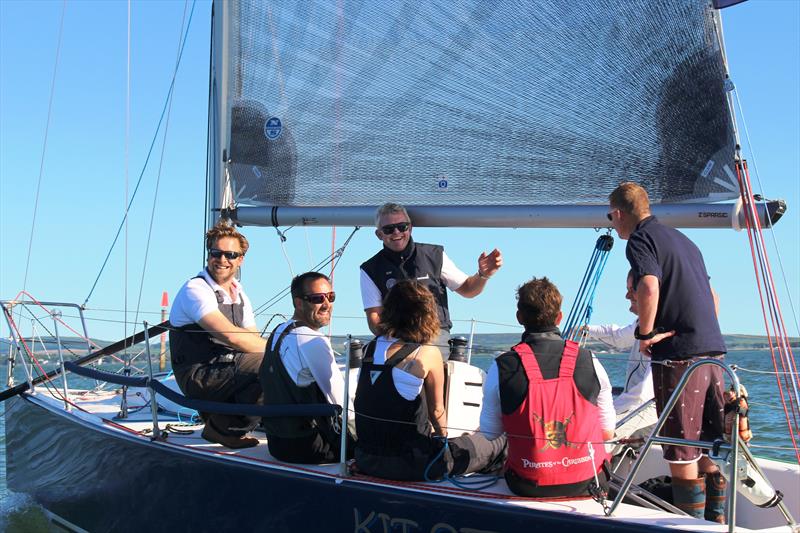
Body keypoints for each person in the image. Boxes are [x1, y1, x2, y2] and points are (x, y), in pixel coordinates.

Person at [608, 182, 727, 523]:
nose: (613, 224)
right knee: (708, 442)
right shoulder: (685, 241)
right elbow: (714, 297)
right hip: (712, 352)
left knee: (681, 450)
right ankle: (715, 521)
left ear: (618, 214)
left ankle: (692, 528)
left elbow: (648, 285)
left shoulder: (641, 240)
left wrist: (645, 334)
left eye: (611, 217)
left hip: (678, 358)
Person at [354, 280, 506, 481]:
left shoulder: (369, 350)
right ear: (426, 314)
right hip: (411, 464)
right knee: (495, 441)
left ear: (388, 310)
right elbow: (437, 412)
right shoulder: (426, 353)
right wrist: (444, 445)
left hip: (367, 459)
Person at [480, 277, 615, 498]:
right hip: (588, 482)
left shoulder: (501, 366)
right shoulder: (591, 360)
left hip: (526, 484)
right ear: (559, 317)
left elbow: (490, 433)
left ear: (519, 317)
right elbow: (607, 432)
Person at [169, 221, 267, 449]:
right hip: (198, 373)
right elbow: (231, 337)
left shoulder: (239, 293)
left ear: (240, 259)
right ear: (208, 255)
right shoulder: (196, 289)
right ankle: (224, 429)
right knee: (272, 366)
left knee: (280, 365)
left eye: (230, 254)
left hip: (226, 368)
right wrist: (281, 352)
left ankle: (228, 421)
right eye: (217, 253)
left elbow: (252, 337)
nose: (222, 260)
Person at [360, 202, 502, 356]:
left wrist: (483, 274)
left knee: (424, 362)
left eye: (402, 227)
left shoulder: (434, 255)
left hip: (435, 335)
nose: (396, 232)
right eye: (388, 229)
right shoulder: (370, 269)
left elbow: (468, 289)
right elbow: (374, 317)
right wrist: (396, 340)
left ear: (410, 228)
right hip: (396, 339)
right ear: (379, 234)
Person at [259, 272, 355, 464]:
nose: (327, 304)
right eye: (317, 299)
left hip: (277, 443)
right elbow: (341, 402)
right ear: (299, 303)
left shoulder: (279, 331)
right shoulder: (312, 339)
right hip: (309, 446)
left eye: (331, 297)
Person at [584, 270, 661, 456]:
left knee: (596, 438)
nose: (627, 295)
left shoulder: (660, 331)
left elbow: (643, 394)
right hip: (639, 404)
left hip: (648, 407)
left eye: (631, 290)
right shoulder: (641, 324)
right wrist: (585, 330)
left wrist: (611, 411)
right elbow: (618, 336)